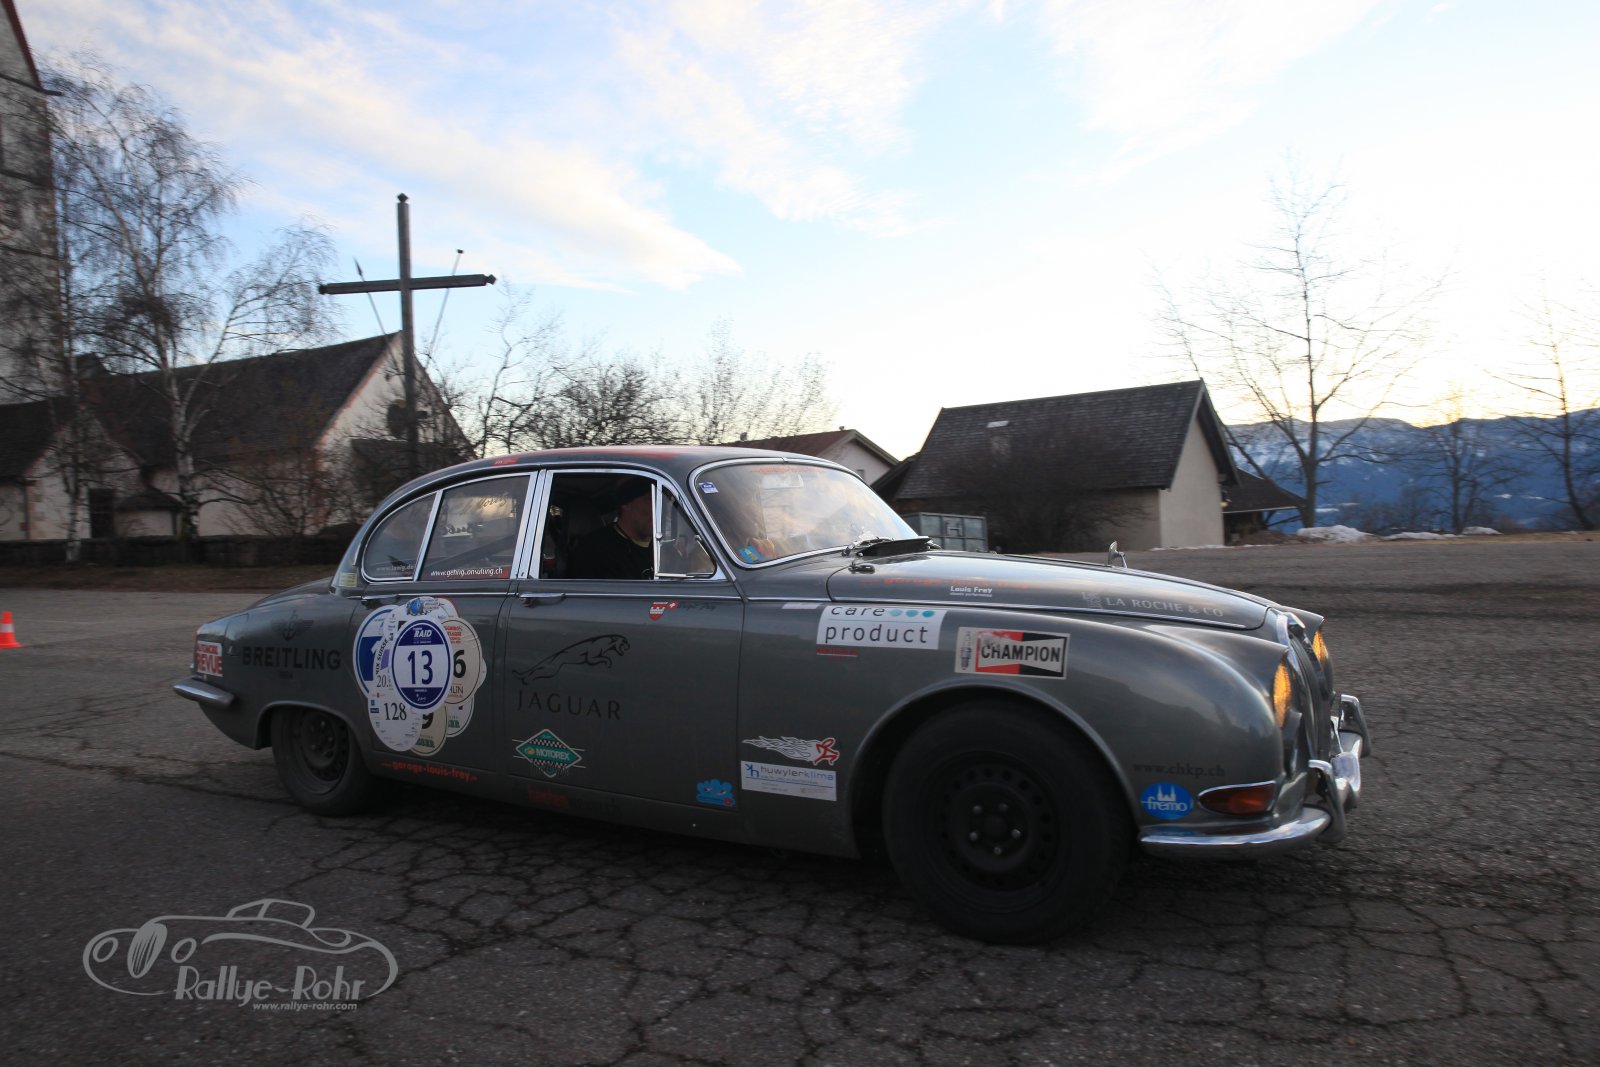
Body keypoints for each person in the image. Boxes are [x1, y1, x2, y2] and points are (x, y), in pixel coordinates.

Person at [568, 480, 654, 579]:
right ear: (626, 503)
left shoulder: (661, 547)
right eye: (649, 500)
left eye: (661, 501)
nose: (658, 509)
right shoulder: (595, 550)